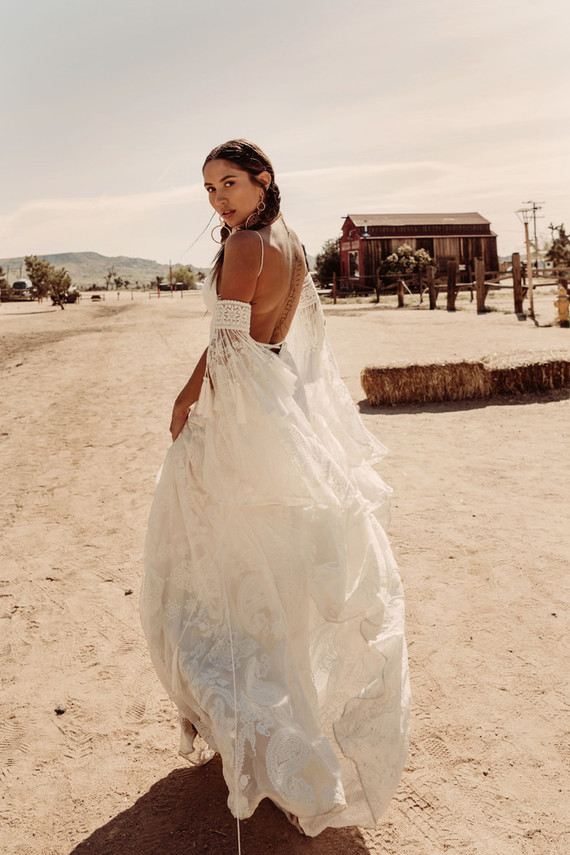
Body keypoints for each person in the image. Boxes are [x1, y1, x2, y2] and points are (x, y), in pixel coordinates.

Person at [140, 139, 410, 838]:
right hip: (281, 407)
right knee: (274, 580)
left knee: (210, 571)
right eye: (208, 189)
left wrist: (186, 400)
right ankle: (278, 736)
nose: (218, 200)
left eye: (229, 183)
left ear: (263, 183)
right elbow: (282, 341)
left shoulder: (244, 247)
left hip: (242, 421)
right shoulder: (286, 241)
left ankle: (258, 736)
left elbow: (228, 345)